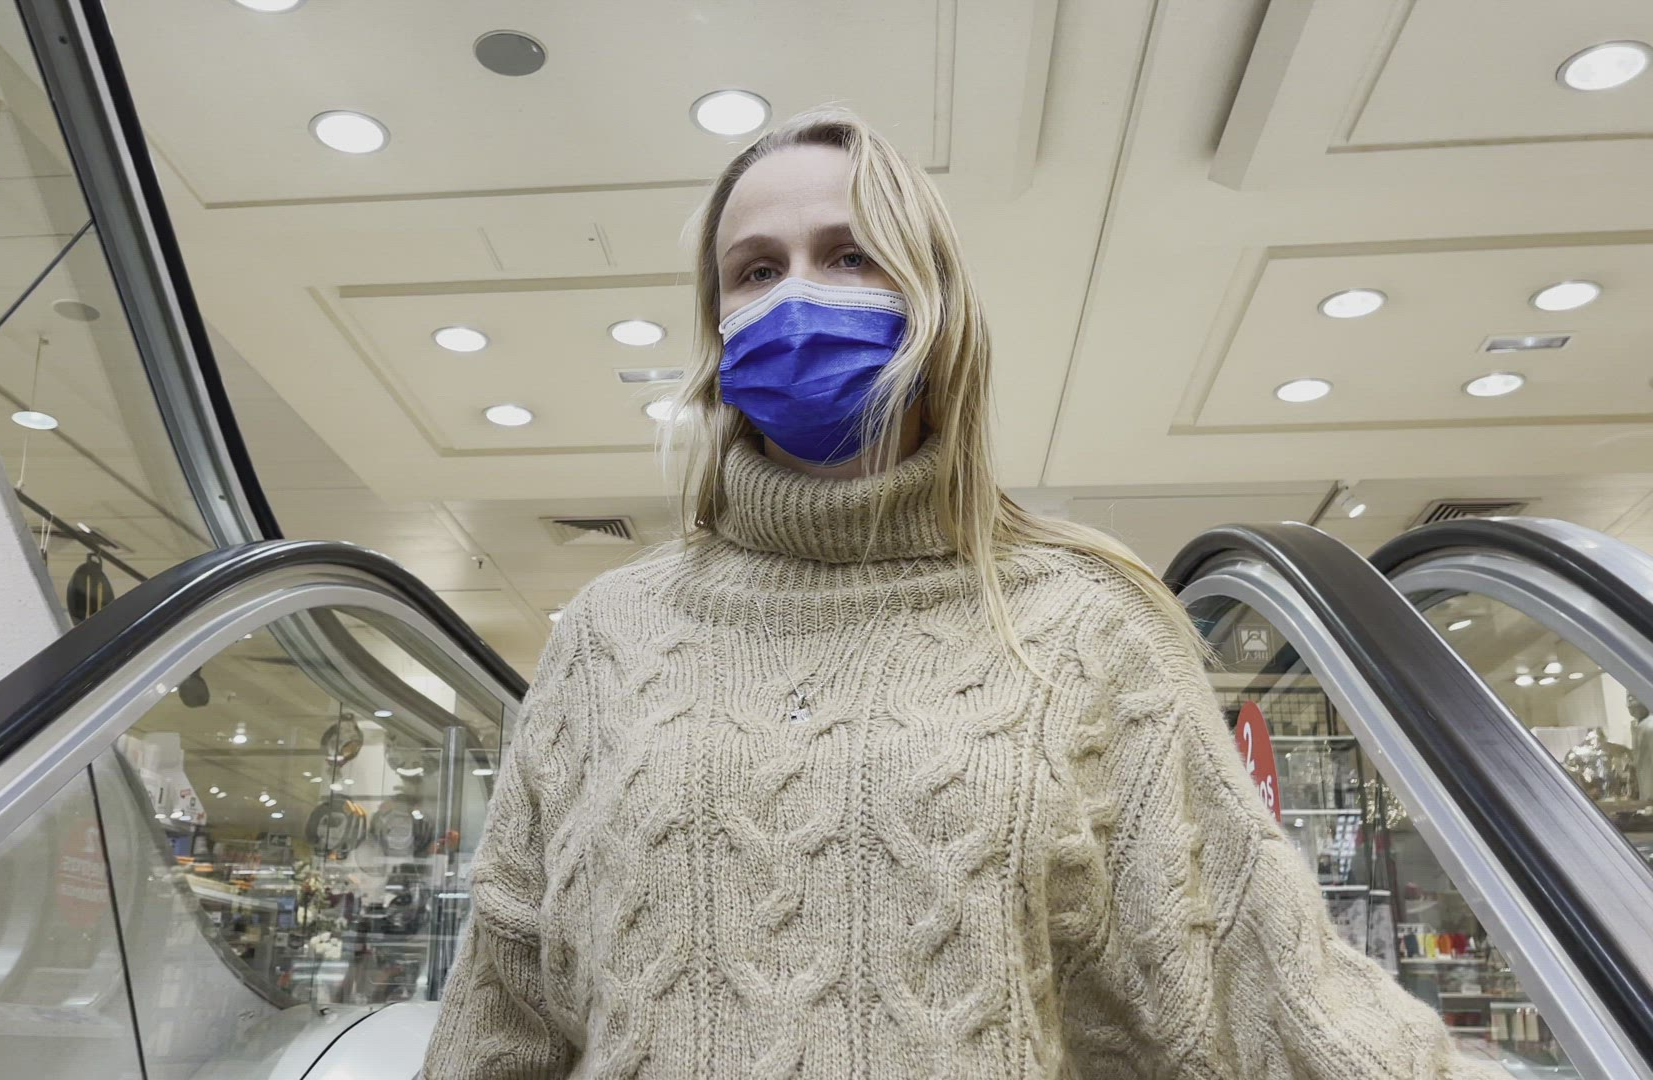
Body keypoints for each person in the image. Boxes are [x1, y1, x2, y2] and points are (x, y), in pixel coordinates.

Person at [422, 109, 1503, 1078]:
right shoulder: (611, 632)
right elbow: (505, 1002)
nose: (797, 294)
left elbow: (1248, 978)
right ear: (717, 328)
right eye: (754, 270)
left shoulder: (1085, 622)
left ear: (933, 304)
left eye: (849, 256)